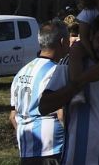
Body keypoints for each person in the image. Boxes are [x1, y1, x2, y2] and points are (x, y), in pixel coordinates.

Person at [40, 12, 99, 165]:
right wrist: (83, 79)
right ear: (91, 36)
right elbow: (44, 106)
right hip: (77, 158)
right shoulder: (70, 65)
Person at [10, 21, 68, 165]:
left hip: (26, 145)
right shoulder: (57, 71)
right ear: (62, 41)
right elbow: (62, 113)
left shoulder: (21, 72)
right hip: (52, 146)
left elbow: (13, 115)